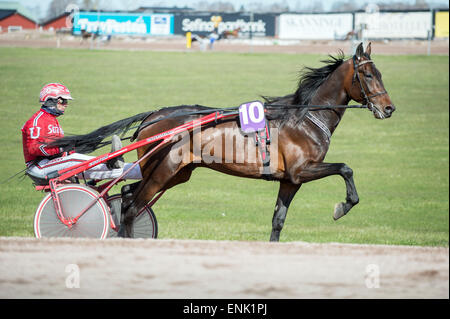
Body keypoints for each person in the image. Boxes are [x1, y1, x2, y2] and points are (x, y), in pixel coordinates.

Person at [22, 83, 142, 184]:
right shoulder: (37, 121)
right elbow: (34, 149)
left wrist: (67, 149)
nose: (66, 104)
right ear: (50, 100)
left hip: (52, 164)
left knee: (104, 170)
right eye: (62, 101)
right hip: (40, 167)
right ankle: (109, 161)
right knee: (73, 159)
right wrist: (64, 147)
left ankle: (139, 170)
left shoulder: (52, 121)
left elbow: (58, 150)